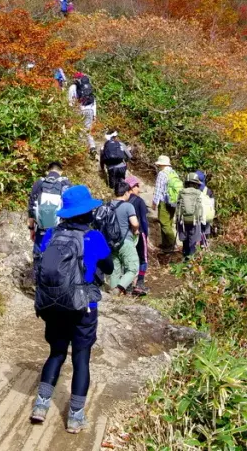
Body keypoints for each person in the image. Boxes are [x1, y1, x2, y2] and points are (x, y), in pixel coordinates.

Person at [32, 185, 114, 433]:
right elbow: (109, 268)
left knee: (56, 353)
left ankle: (41, 406)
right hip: (83, 306)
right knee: (81, 359)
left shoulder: (51, 235)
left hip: (54, 305)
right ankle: (75, 416)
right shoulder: (94, 237)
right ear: (87, 213)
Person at [28, 163, 72, 254]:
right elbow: (71, 208)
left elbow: (31, 209)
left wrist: (31, 229)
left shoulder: (39, 183)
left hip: (42, 229)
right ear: (61, 171)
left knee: (39, 255)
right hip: (61, 230)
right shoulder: (66, 183)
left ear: (48, 171)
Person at [105, 181, 141, 294]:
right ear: (126, 193)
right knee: (133, 268)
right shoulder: (128, 206)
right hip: (125, 241)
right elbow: (134, 223)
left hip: (111, 242)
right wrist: (136, 230)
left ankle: (113, 293)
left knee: (115, 270)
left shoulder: (108, 205)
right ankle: (119, 288)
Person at [125, 175, 150, 295]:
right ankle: (140, 283)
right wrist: (146, 233)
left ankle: (128, 284)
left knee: (129, 258)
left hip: (126, 234)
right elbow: (144, 219)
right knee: (143, 258)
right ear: (132, 187)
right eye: (137, 186)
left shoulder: (124, 199)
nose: (138, 188)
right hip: (139, 232)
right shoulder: (139, 201)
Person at [175, 172, 206, 260]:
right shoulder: (199, 193)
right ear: (196, 183)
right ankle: (191, 260)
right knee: (193, 240)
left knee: (185, 239)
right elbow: (202, 208)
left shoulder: (181, 192)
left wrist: (177, 220)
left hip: (182, 221)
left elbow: (178, 206)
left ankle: (185, 257)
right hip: (195, 220)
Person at [152, 156, 180, 252]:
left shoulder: (162, 174)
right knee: (169, 222)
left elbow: (158, 189)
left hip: (164, 201)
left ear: (162, 164)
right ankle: (166, 244)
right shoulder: (173, 172)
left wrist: (155, 202)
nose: (158, 165)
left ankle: (172, 244)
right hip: (173, 202)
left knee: (164, 223)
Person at [68, 73, 97, 157]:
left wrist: (71, 114)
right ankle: (92, 147)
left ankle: (80, 149)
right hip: (90, 110)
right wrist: (94, 114)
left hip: (79, 110)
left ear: (75, 79)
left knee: (79, 130)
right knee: (87, 129)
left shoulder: (72, 87)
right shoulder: (88, 87)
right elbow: (94, 101)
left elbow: (70, 102)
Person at [195, 169, 216, 247]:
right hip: (208, 214)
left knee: (198, 229)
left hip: (198, 214)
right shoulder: (208, 190)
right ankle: (204, 244)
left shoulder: (194, 188)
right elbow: (212, 203)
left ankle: (198, 245)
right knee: (205, 229)